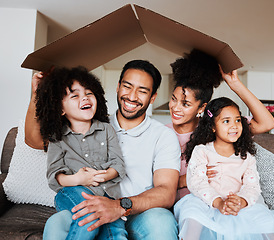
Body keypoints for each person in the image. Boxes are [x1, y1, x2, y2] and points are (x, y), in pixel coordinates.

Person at [25, 60, 181, 239]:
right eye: (127, 86)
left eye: (142, 91)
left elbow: (166, 192)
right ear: (118, 86)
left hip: (137, 213)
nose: (132, 96)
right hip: (90, 202)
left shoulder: (163, 135)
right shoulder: (90, 122)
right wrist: (39, 94)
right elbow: (33, 140)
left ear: (152, 97)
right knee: (56, 222)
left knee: (162, 221)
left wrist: (118, 206)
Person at [174, 97, 274, 240]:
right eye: (226, 121)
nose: (234, 126)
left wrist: (241, 201)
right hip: (207, 203)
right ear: (212, 126)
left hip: (239, 204)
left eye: (238, 120)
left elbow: (252, 186)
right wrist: (218, 202)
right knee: (192, 215)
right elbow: (197, 183)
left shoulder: (246, 155)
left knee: (269, 222)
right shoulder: (202, 151)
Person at [166, 49, 274, 202]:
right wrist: (187, 179)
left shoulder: (219, 127)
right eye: (173, 99)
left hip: (221, 206)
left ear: (201, 108)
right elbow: (152, 181)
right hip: (184, 207)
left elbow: (268, 123)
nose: (175, 108)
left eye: (185, 104)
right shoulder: (162, 133)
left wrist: (236, 84)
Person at [35, 66, 126, 239]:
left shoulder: (107, 130)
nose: (84, 98)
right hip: (73, 192)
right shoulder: (58, 138)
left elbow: (118, 164)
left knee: (117, 233)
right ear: (60, 109)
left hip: (108, 196)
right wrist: (79, 179)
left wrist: (104, 176)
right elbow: (55, 176)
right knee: (88, 220)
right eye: (75, 95)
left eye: (89, 93)